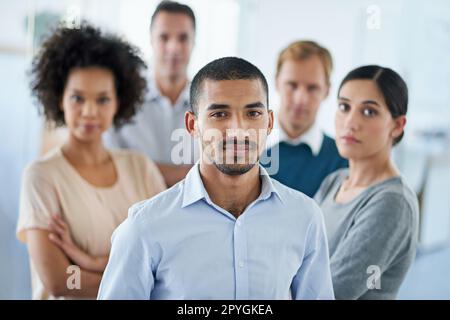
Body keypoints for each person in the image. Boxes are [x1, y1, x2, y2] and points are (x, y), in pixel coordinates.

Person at [97, 57, 334, 300]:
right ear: (192, 125)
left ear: (269, 122)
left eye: (253, 113)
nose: (238, 130)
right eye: (220, 114)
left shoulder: (305, 218)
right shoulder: (144, 227)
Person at [16, 23, 166, 300]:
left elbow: (167, 258)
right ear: (60, 99)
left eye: (102, 99)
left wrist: (90, 262)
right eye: (77, 98)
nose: (89, 111)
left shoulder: (140, 167)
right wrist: (136, 279)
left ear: (118, 103)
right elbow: (60, 281)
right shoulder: (41, 176)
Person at [314, 65, 419, 299]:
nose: (350, 122)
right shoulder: (335, 181)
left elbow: (330, 293)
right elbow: (295, 252)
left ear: (397, 125)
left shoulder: (392, 203)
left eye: (369, 111)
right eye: (344, 107)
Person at [104, 1, 198, 187]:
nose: (174, 48)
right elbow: (110, 167)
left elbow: (218, 176)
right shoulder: (121, 100)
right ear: (151, 39)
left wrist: (143, 170)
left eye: (183, 38)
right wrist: (190, 175)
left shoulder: (210, 104)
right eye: (164, 37)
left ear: (194, 41)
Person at [265, 40, 347, 197]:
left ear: (327, 91)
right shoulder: (245, 148)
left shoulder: (342, 161)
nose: (300, 99)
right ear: (276, 82)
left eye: (312, 88)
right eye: (292, 85)